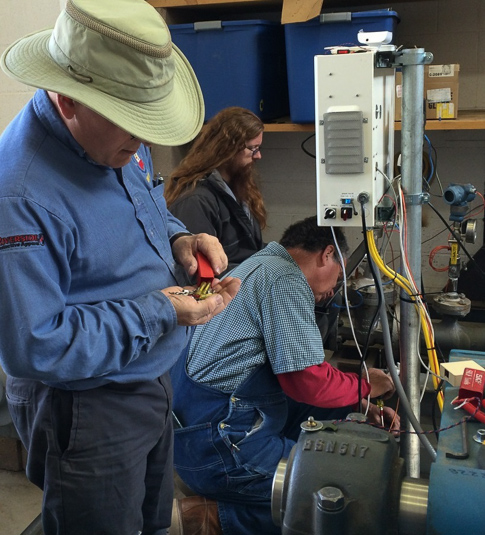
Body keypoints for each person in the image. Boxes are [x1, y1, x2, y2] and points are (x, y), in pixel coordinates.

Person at [0, 1, 240, 534]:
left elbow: (143, 209)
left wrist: (181, 239)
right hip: (88, 406)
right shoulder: (20, 194)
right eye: (133, 124)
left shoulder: (115, 142)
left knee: (151, 524)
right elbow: (36, 343)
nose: (145, 141)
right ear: (67, 99)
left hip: (150, 375)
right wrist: (160, 311)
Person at [170, 216, 400, 535]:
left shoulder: (259, 264)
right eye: (339, 276)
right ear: (327, 254)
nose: (335, 289)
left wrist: (357, 407)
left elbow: (292, 379)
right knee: (334, 499)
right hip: (218, 447)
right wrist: (364, 384)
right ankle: (204, 519)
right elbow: (306, 382)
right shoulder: (285, 280)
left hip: (197, 432)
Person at [164, 106, 266, 272]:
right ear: (228, 149)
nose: (258, 156)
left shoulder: (238, 187)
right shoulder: (196, 200)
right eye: (252, 149)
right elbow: (202, 273)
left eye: (259, 148)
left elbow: (248, 251)